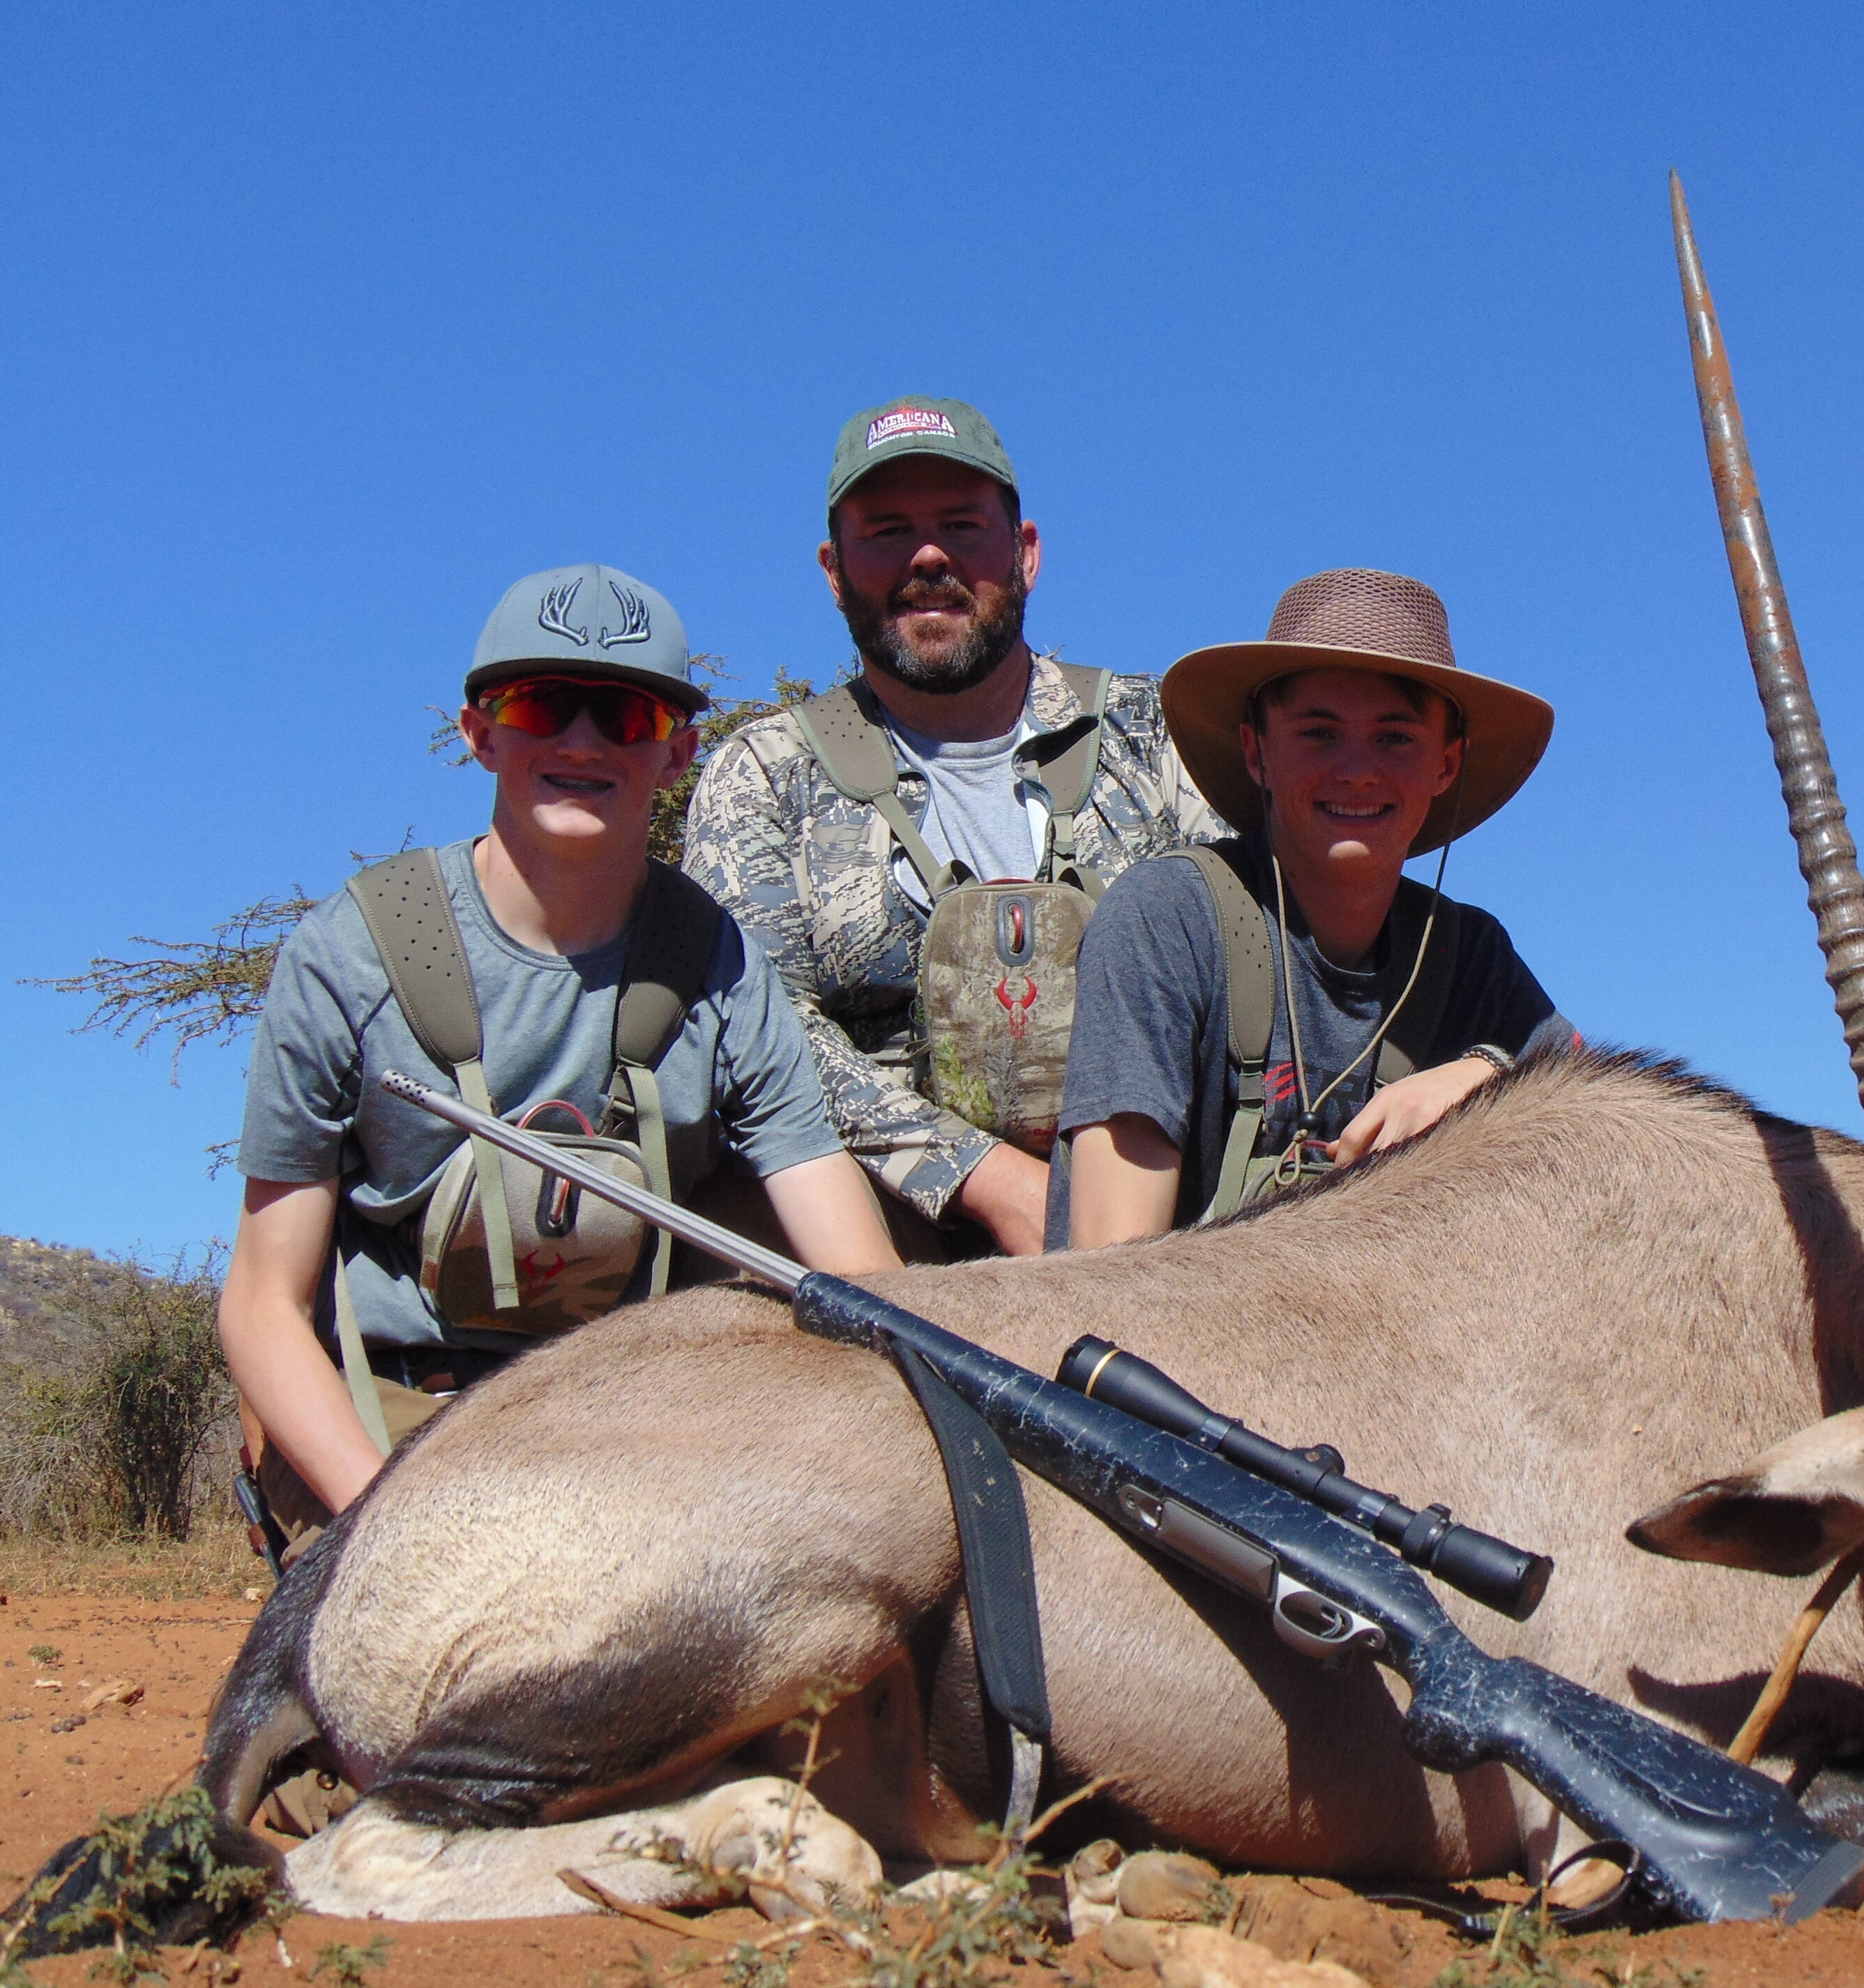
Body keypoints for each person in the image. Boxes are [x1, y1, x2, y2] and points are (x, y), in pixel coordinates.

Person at [220, 564, 900, 1558]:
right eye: (542, 705)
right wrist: (382, 1530)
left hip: (623, 1419)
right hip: (391, 1418)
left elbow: (852, 1260)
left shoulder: (720, 965)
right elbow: (261, 1303)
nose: (580, 740)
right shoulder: (352, 949)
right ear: (480, 732)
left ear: (677, 752)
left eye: (623, 714)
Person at [684, 395, 1222, 1259]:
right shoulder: (762, 772)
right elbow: (758, 1033)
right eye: (887, 530)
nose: (927, 555)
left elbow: (1262, 966)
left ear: (1027, 553)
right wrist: (988, 1181)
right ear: (832, 569)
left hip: (1170, 1238)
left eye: (962, 526)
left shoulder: (1161, 732)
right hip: (893, 1254)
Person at [1052, 567, 1571, 1248]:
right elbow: (1109, 1270)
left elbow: (1592, 1092)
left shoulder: (1470, 956)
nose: (1357, 769)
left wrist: (1488, 1076)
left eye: (1395, 738)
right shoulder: (1166, 921)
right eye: (1319, 734)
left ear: (1446, 765)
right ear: (1256, 751)